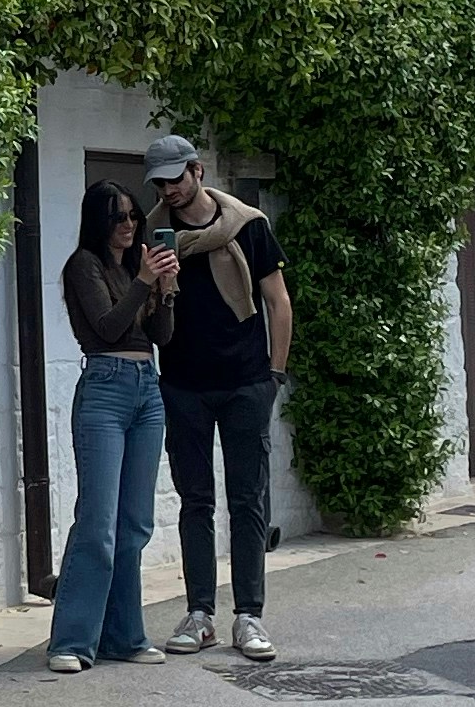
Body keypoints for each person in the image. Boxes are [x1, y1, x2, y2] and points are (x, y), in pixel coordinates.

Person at [147, 133, 292, 665]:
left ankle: (249, 615)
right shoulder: (153, 235)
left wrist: (274, 375)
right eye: (160, 183)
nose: (169, 190)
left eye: (175, 179)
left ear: (197, 171)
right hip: (182, 382)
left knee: (248, 499)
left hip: (245, 382)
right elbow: (147, 313)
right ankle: (200, 614)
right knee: (195, 501)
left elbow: (277, 301)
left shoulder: (247, 225)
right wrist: (157, 279)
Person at [46, 181, 179, 672]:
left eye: (133, 216)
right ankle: (71, 642)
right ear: (99, 222)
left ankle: (124, 636)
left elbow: (161, 336)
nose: (129, 225)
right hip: (105, 388)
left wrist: (166, 290)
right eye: (118, 217)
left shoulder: (133, 268)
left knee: (134, 523)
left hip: (147, 389)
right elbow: (106, 327)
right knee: (98, 523)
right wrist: (144, 281)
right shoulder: (84, 265)